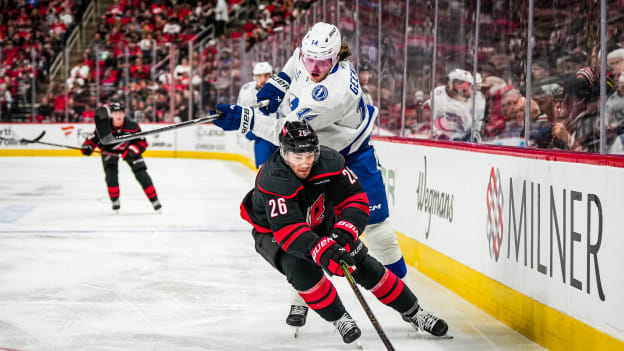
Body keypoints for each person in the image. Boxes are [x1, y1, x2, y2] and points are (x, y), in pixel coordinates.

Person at [212, 22, 408, 328]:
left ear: (335, 59)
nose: (314, 67)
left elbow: (287, 132)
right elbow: (294, 62)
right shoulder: (309, 55)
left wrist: (244, 118)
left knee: (378, 227)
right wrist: (278, 83)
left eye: (322, 63)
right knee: (306, 230)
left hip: (349, 155)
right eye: (310, 59)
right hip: (313, 157)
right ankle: (303, 295)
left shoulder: (331, 93)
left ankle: (402, 293)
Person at [240, 120, 448, 345]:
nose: (304, 163)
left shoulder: (330, 161)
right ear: (283, 153)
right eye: (296, 157)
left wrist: (343, 235)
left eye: (309, 155)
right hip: (273, 232)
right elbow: (289, 230)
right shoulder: (274, 179)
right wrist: (324, 250)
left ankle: (414, 311)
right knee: (300, 268)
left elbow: (356, 200)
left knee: (361, 262)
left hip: (320, 219)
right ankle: (339, 318)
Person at [80, 100, 162, 212]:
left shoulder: (132, 126)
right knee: (111, 173)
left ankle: (154, 200)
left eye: (120, 112)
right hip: (110, 150)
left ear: (124, 113)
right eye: (115, 113)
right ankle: (115, 200)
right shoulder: (105, 126)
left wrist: (132, 150)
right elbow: (92, 140)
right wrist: (87, 147)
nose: (118, 115)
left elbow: (143, 142)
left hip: (129, 150)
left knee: (141, 172)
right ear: (111, 114)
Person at [237, 61, 279, 168]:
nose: (263, 79)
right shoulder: (246, 90)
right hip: (257, 131)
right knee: (263, 167)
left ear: (272, 75)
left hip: (277, 129)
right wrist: (246, 130)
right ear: (254, 77)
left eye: (266, 75)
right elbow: (241, 112)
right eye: (259, 76)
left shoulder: (281, 89)